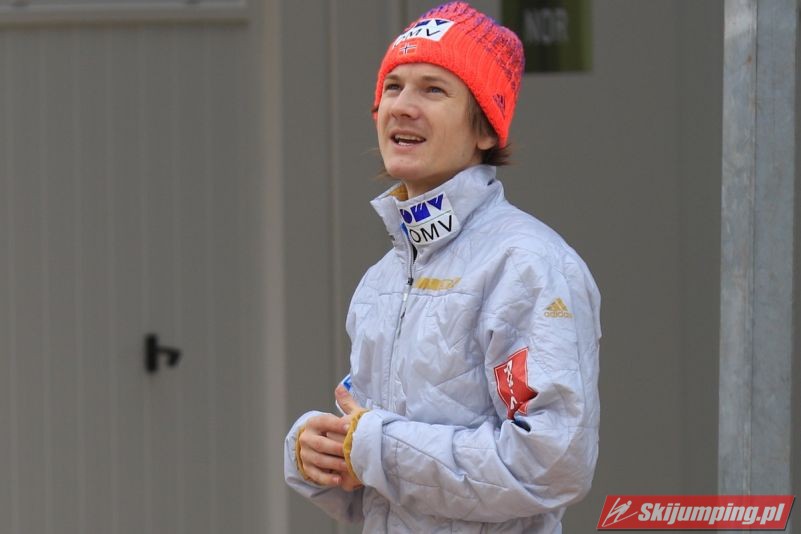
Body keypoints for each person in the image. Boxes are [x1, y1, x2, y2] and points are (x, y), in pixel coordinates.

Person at [284, 2, 601, 532]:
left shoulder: (527, 266)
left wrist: (376, 448)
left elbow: (551, 466)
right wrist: (322, 454)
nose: (402, 107)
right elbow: (383, 488)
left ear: (486, 130)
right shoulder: (381, 281)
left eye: (433, 89)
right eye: (393, 87)